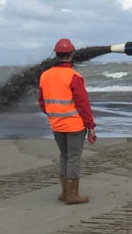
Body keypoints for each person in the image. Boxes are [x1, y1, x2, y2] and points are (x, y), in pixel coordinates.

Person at [38, 38, 96, 205]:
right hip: (74, 125)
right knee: (74, 158)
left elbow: (42, 101)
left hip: (56, 124)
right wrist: (90, 126)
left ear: (56, 54)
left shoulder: (45, 75)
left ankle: (64, 193)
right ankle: (72, 195)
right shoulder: (74, 76)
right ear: (71, 55)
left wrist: (53, 115)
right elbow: (82, 104)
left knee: (64, 155)